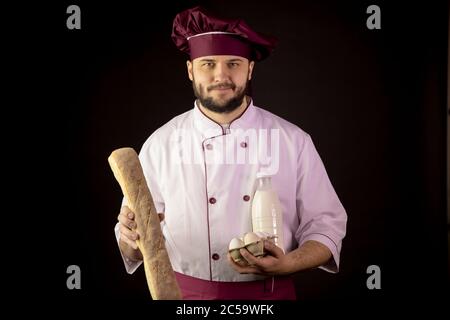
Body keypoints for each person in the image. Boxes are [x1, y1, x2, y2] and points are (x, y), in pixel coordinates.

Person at [114, 6, 347, 300]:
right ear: (190, 70)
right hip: (182, 296)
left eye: (233, 64)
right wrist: (131, 239)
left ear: (250, 68)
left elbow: (326, 224)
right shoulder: (161, 144)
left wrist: (289, 263)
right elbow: (132, 242)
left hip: (268, 296)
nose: (220, 75)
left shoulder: (292, 140)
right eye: (208, 64)